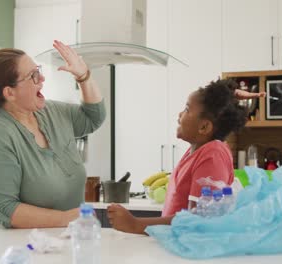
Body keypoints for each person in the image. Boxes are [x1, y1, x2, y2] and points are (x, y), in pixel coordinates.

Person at [0, 40, 106, 228]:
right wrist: (65, 219)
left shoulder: (50, 112)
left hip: (57, 241)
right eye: (33, 75)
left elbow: (93, 117)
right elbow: (3, 208)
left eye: (39, 70)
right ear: (10, 93)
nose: (42, 78)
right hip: (11, 247)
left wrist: (83, 76)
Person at [107, 79, 265, 234]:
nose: (180, 114)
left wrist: (136, 224)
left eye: (187, 109)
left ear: (204, 127)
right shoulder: (197, 150)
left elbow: (199, 219)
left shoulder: (213, 155)